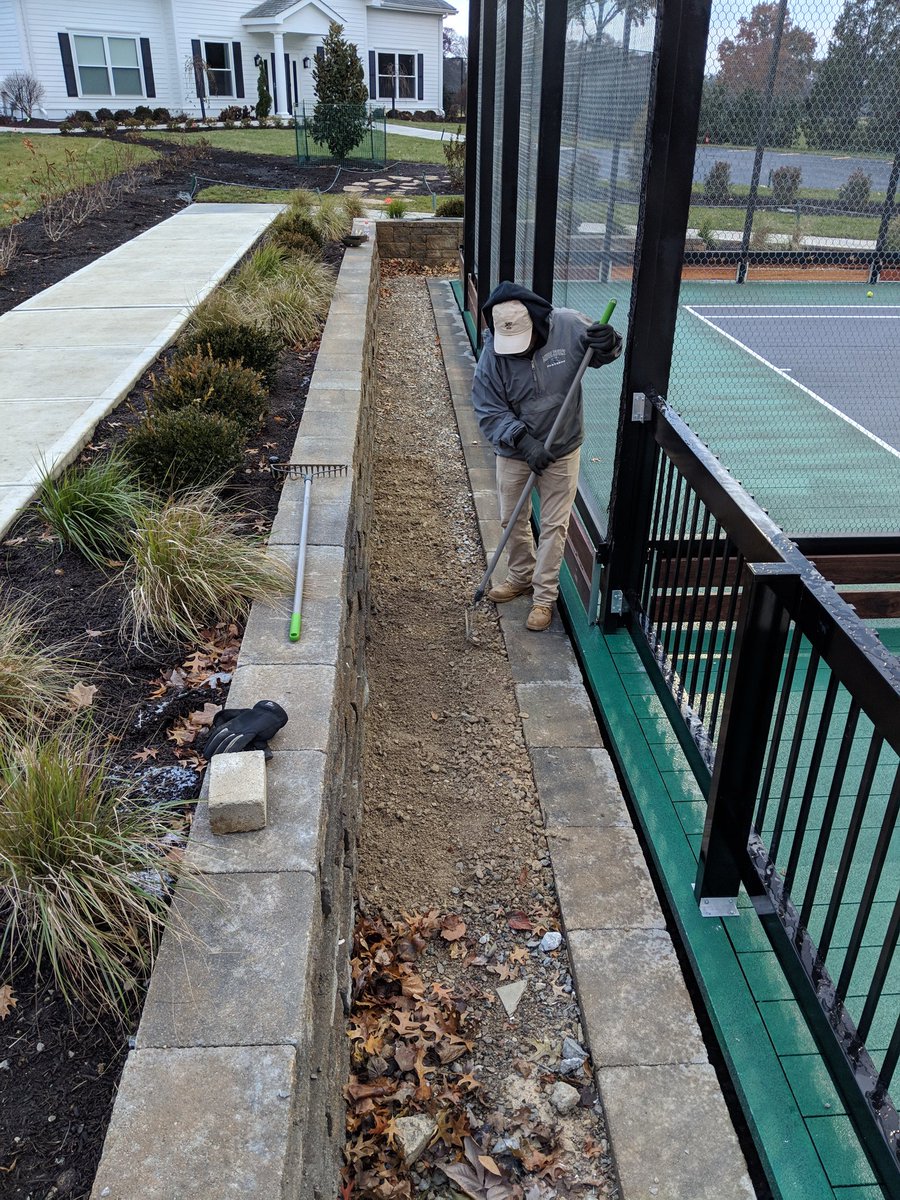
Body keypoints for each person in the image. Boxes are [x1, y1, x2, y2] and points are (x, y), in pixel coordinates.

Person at [471, 281, 623, 632]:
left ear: (539, 324)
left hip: (563, 444)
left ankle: (544, 598)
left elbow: (602, 354)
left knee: (555, 524)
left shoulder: (569, 325)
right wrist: (524, 443)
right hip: (515, 449)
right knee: (512, 518)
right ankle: (521, 576)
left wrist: (609, 344)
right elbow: (488, 409)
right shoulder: (493, 354)